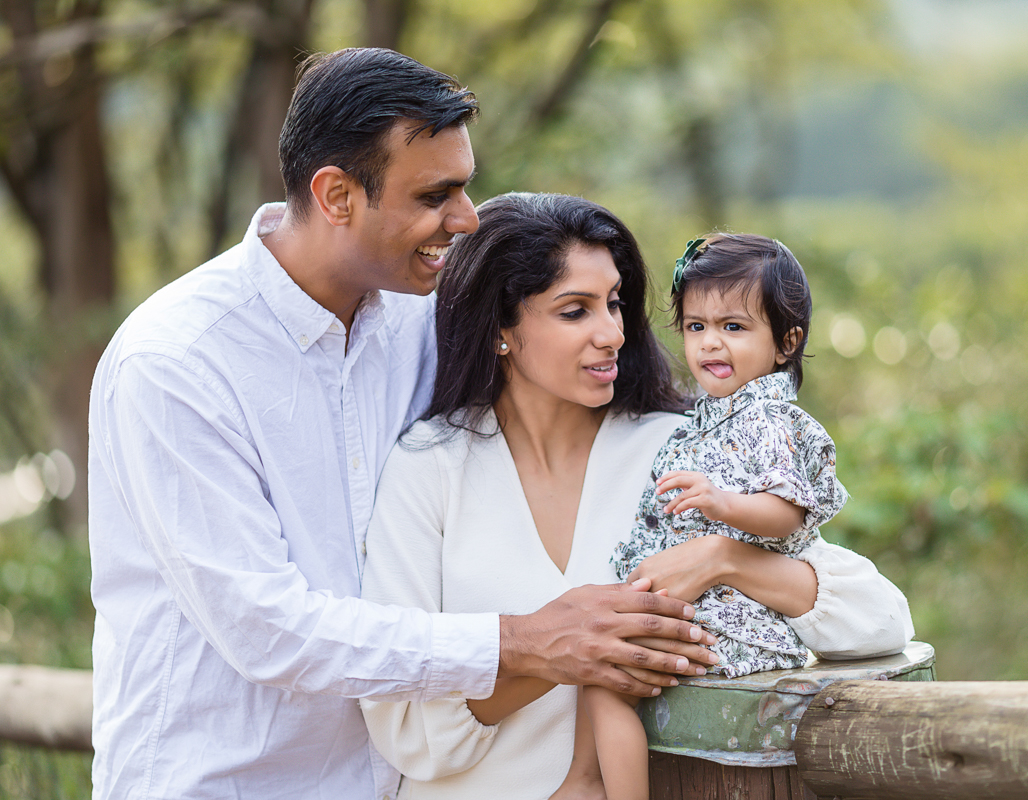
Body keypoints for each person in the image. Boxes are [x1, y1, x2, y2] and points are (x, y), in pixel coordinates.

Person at [87, 50, 710, 800]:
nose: (466, 218)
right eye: (435, 194)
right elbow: (266, 629)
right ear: (337, 195)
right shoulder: (177, 364)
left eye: (466, 186)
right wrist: (525, 640)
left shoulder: (424, 324)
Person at [360, 194, 914, 799]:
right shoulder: (430, 466)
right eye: (575, 311)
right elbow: (409, 732)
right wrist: (550, 651)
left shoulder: (681, 450)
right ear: (501, 329)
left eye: (615, 303)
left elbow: (877, 620)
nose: (613, 333)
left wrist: (726, 559)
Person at [570, 233, 850, 800]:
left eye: (734, 327)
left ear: (786, 342)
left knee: (604, 682)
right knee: (597, 670)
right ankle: (586, 782)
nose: (711, 345)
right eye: (697, 327)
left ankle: (596, 787)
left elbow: (786, 514)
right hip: (700, 601)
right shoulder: (709, 417)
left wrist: (722, 503)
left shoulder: (770, 419)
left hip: (730, 615)